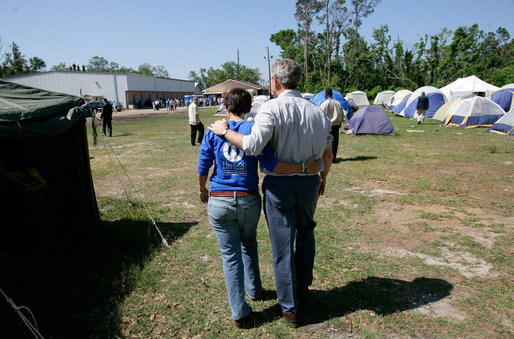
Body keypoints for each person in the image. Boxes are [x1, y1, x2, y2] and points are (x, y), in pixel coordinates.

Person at [208, 58, 333, 328]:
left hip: (280, 186)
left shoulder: (271, 108)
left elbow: (252, 146)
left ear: (275, 81)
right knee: (306, 234)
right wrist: (322, 177)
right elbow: (328, 152)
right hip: (310, 182)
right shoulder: (318, 111)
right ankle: (302, 288)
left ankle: (289, 308)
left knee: (282, 244)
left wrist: (225, 130)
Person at [320, 88, 344, 160]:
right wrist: (340, 121)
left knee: (326, 142)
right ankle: (333, 158)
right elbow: (341, 113)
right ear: (332, 94)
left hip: (327, 125)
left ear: (326, 94)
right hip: (336, 125)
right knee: (335, 142)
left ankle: (327, 157)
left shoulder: (324, 104)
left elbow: (321, 115)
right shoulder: (337, 103)